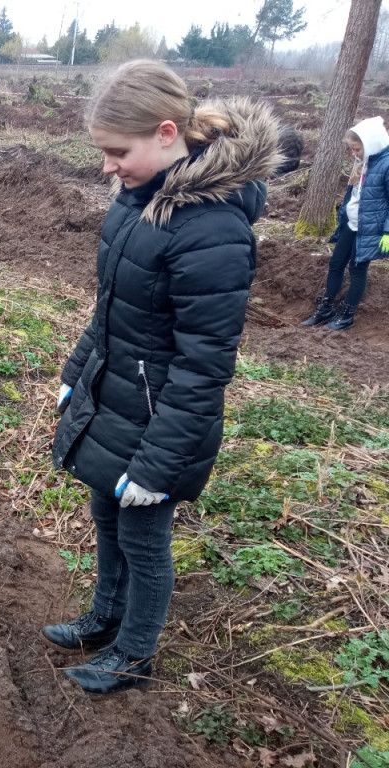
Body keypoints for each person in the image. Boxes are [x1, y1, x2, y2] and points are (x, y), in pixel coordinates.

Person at [45, 60, 281, 695]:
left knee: (144, 537)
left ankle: (134, 654)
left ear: (168, 132)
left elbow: (205, 368)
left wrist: (157, 465)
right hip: (114, 399)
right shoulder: (135, 202)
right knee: (103, 509)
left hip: (161, 422)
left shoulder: (212, 228)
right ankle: (104, 617)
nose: (107, 166)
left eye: (118, 151)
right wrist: (76, 373)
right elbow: (112, 309)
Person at [300, 116, 389, 331]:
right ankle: (327, 307)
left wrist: (387, 232)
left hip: (370, 229)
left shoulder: (386, 164)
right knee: (336, 264)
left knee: (357, 270)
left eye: (357, 149)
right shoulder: (363, 162)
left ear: (371, 144)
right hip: (352, 224)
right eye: (352, 150)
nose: (354, 154)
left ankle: (347, 315)